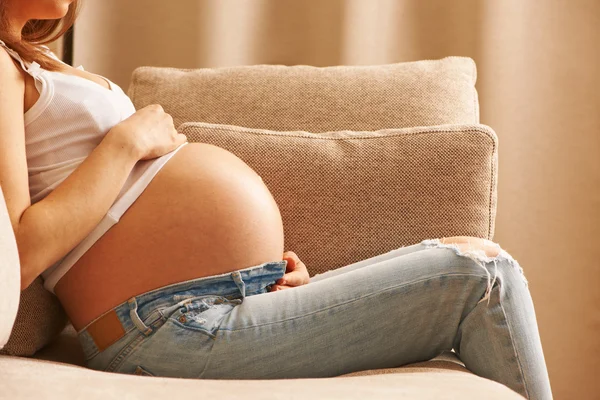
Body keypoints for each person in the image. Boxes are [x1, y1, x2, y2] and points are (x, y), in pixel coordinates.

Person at [0, 1, 553, 399]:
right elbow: (19, 252)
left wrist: (253, 275)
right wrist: (124, 144)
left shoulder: (39, 62)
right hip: (166, 329)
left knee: (473, 250)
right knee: (482, 278)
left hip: (213, 304)